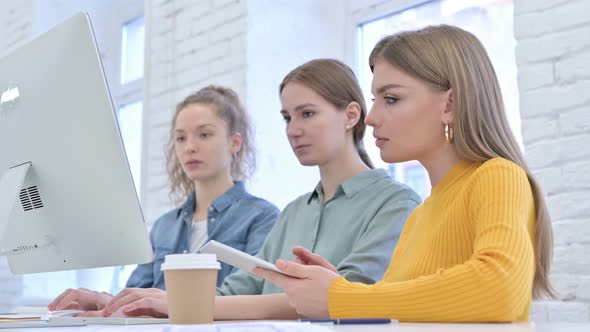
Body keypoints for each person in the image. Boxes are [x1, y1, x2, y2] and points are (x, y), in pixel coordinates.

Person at [255, 25, 556, 323]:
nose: (371, 118)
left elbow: (499, 290)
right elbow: (403, 310)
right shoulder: (419, 216)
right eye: (375, 101)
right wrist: (336, 287)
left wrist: (340, 297)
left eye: (392, 99)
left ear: (449, 105)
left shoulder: (497, 175)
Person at [98, 59, 421, 320]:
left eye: (307, 114)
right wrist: (143, 302)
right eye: (286, 117)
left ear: (351, 115)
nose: (293, 130)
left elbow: (342, 297)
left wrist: (176, 305)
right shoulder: (295, 211)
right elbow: (239, 287)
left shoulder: (396, 203)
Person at [48, 85, 280, 313]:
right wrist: (101, 299)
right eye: (180, 138)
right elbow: (136, 295)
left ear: (235, 142)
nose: (189, 147)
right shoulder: (164, 227)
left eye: (204, 134)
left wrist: (171, 303)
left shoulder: (262, 217)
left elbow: (249, 294)